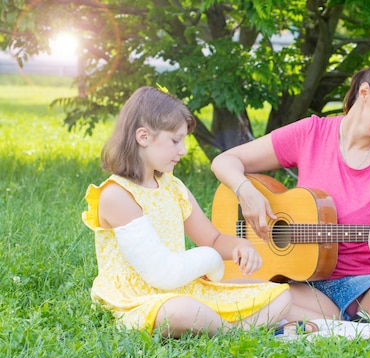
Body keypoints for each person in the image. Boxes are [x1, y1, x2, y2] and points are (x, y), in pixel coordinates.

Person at [211, 58, 370, 328]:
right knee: (226, 294)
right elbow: (225, 161)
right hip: (303, 279)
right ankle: (328, 317)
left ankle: (322, 319)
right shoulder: (312, 132)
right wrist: (245, 192)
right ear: (365, 93)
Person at [82, 86, 320, 338]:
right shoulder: (116, 195)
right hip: (139, 299)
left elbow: (213, 240)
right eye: (175, 141)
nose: (183, 150)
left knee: (278, 293)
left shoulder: (173, 187)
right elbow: (161, 273)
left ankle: (235, 325)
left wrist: (239, 246)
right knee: (180, 311)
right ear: (143, 137)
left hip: (184, 288)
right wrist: (211, 260)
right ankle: (237, 330)